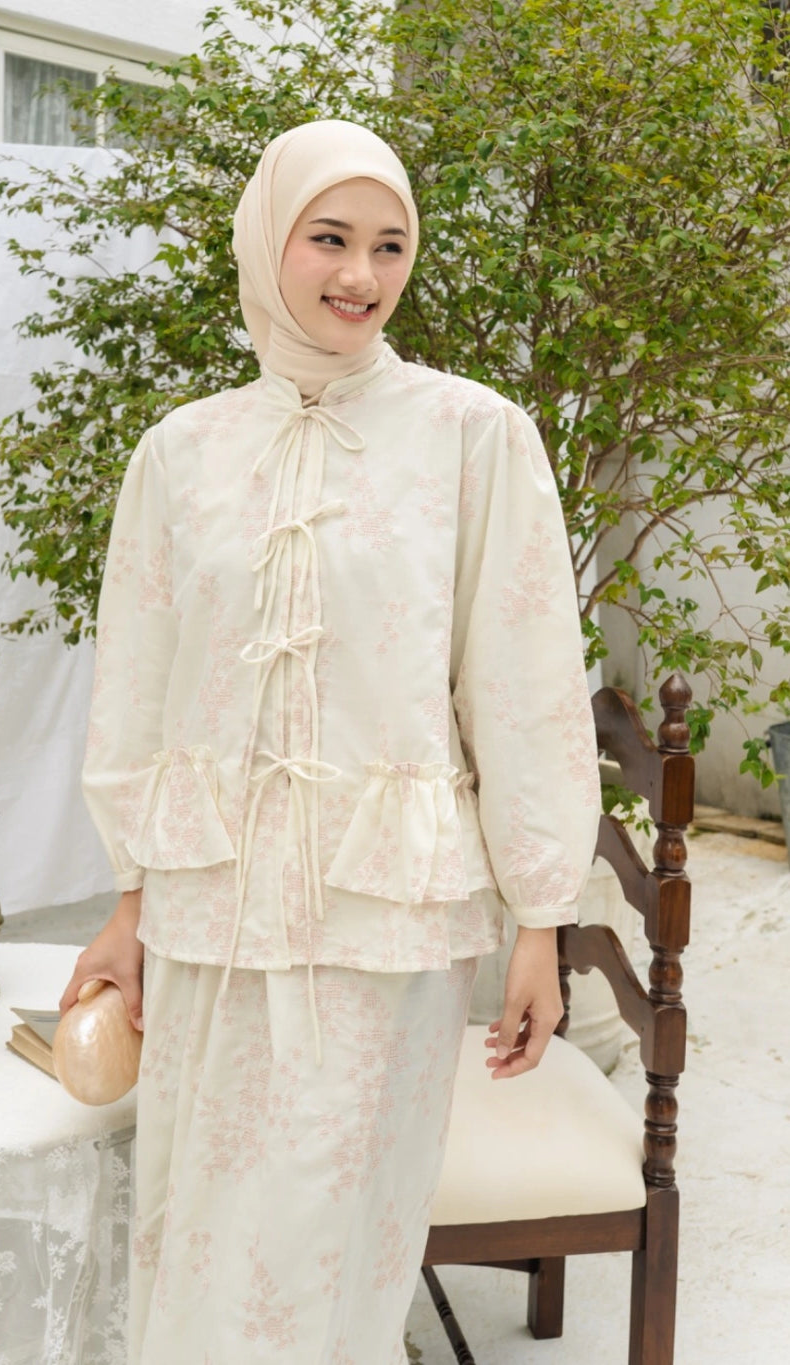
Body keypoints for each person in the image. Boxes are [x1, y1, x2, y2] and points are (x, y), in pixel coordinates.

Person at [60, 118, 601, 1365]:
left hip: (382, 926)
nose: (359, 276)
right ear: (269, 243)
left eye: (390, 246)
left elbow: (520, 686)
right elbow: (138, 690)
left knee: (333, 1243)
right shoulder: (179, 453)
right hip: (207, 917)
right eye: (329, 238)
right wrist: (130, 901)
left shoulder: (475, 437)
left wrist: (538, 918)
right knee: (196, 1233)